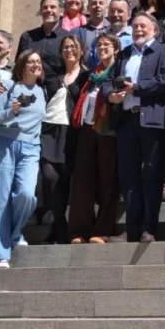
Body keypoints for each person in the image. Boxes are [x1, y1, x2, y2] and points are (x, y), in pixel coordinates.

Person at [113, 12, 165, 243]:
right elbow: (112, 81)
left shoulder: (164, 51)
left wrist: (137, 88)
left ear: (155, 30)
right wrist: (112, 95)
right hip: (127, 121)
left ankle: (149, 227)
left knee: (151, 175)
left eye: (143, 26)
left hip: (152, 121)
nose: (138, 30)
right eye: (135, 26)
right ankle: (131, 228)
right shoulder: (124, 54)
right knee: (128, 177)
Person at [0, 49, 45, 268]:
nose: (35, 65)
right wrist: (12, 112)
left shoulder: (42, 90)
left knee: (27, 195)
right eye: (30, 61)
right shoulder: (7, 86)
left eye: (38, 61)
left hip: (30, 148)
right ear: (22, 65)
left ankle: (14, 233)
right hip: (4, 144)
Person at [67, 34, 123, 243]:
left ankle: (102, 230)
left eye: (107, 45)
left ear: (116, 49)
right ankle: (79, 230)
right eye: (99, 45)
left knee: (108, 181)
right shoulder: (92, 75)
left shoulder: (119, 71)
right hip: (88, 129)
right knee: (83, 180)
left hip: (109, 132)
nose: (102, 48)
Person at [37, 34, 89, 244]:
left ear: (81, 51)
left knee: (65, 181)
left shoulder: (87, 76)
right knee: (50, 178)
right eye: (66, 47)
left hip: (72, 132)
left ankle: (59, 228)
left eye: (74, 46)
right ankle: (59, 224)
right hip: (49, 130)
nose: (69, 50)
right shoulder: (52, 77)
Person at [18, 0, 70, 77]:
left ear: (61, 12)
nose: (48, 10)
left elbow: (73, 68)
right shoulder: (27, 37)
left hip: (57, 87)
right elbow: (19, 66)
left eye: (52, 7)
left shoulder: (68, 38)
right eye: (45, 7)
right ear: (41, 11)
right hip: (30, 87)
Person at [74, 0, 110, 69]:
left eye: (101, 3)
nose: (97, 6)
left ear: (106, 7)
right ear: (88, 7)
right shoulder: (77, 32)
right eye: (94, 3)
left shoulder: (112, 30)